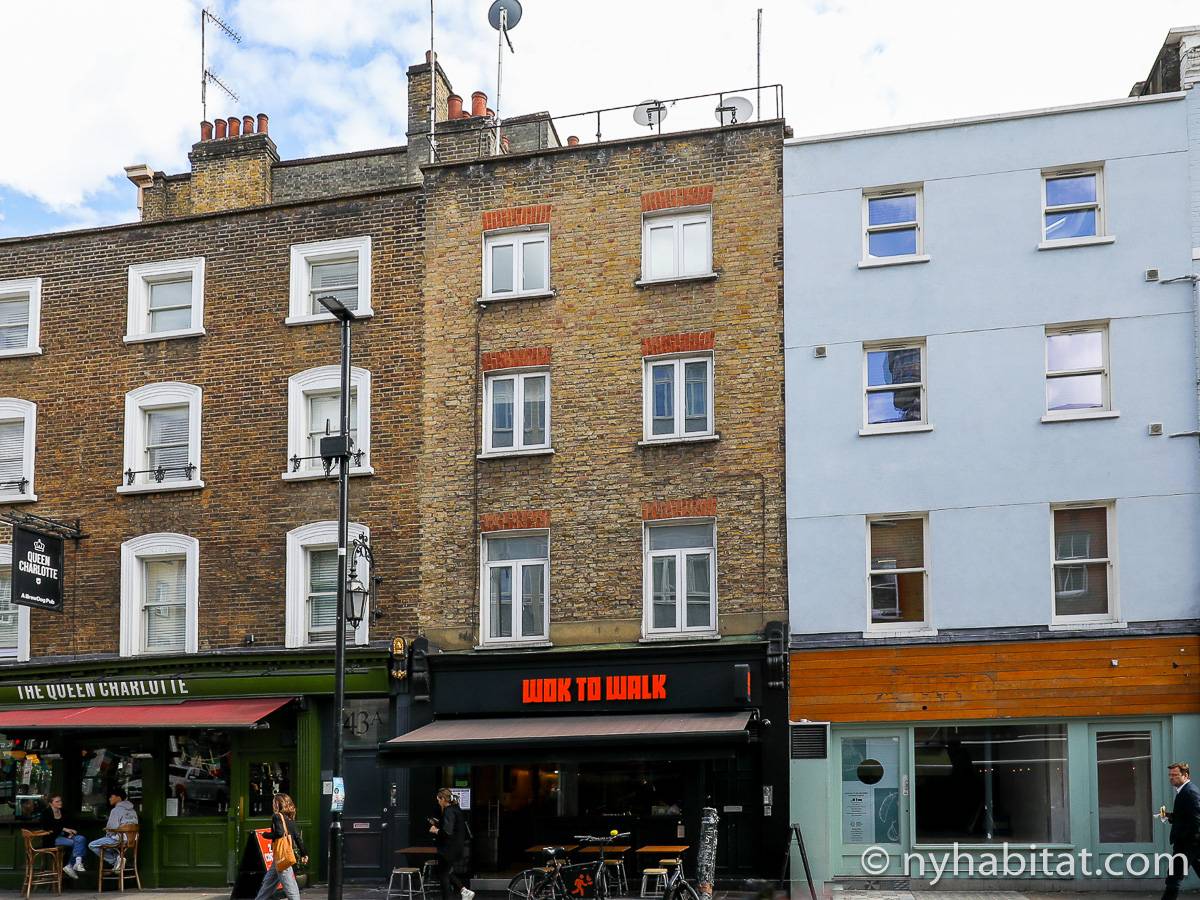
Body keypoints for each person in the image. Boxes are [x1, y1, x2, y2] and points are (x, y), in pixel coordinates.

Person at [253, 793, 307, 900]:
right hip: (281, 856)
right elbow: (297, 837)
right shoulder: (290, 818)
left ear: (277, 804)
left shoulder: (277, 816)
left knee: (290, 888)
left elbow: (279, 833)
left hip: (282, 856)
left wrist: (265, 835)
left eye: (274, 802)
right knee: (268, 883)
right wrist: (304, 853)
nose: (272, 804)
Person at [1162, 762, 1200, 900]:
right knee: (1174, 876)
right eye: (1170, 775)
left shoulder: (1190, 792)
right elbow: (1185, 817)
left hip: (1187, 844)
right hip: (1190, 844)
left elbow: (1197, 819)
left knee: (1173, 878)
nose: (1171, 777)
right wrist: (1169, 816)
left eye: (1175, 775)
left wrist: (1192, 843)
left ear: (1185, 775)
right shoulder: (1184, 791)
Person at [429, 788, 473, 900]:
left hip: (448, 848)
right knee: (446, 872)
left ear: (443, 799)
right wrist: (439, 823)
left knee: (443, 875)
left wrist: (435, 830)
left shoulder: (449, 811)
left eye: (438, 800)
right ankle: (464, 891)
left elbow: (447, 832)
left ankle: (459, 893)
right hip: (456, 847)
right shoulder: (456, 809)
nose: (438, 802)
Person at [87, 788, 139, 872]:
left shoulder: (116, 810)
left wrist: (108, 832)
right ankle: (119, 859)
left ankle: (115, 860)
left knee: (92, 845)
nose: (109, 799)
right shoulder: (133, 811)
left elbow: (111, 828)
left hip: (119, 840)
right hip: (132, 840)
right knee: (108, 846)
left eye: (111, 796)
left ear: (118, 797)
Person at [39, 795, 86, 879]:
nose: (60, 803)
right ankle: (72, 865)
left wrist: (71, 832)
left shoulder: (64, 812)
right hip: (52, 838)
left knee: (81, 839)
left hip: (66, 836)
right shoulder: (46, 813)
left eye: (60, 801)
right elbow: (48, 827)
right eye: (57, 801)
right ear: (51, 803)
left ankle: (75, 863)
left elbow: (71, 824)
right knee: (76, 843)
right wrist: (64, 829)